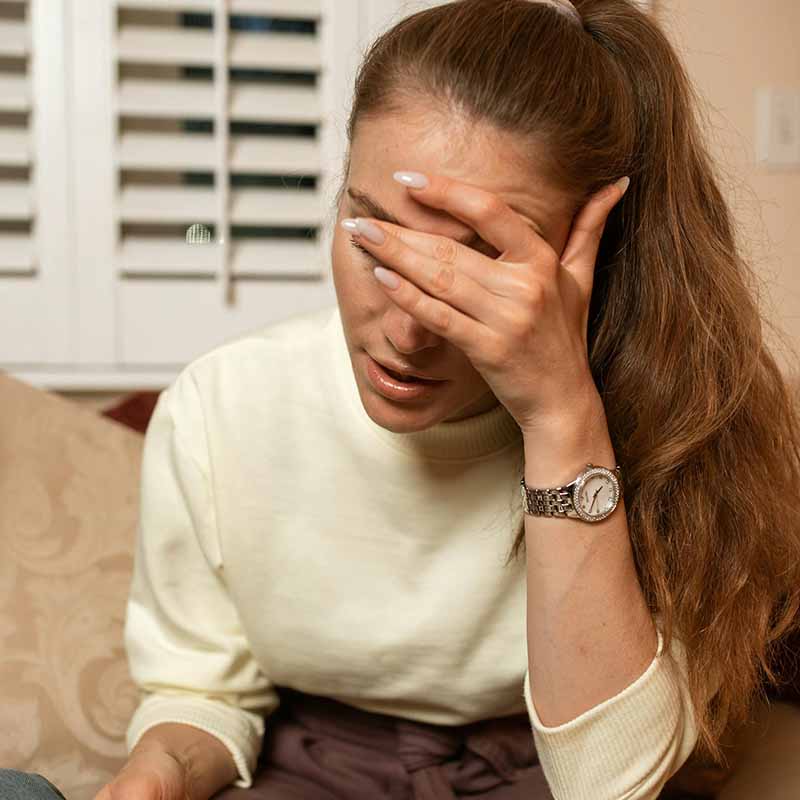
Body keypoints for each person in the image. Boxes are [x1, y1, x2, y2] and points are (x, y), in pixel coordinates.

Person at [89, 0, 800, 799]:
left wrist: (560, 416)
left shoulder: (674, 417)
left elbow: (612, 785)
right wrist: (161, 770)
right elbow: (201, 694)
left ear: (593, 256)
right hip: (314, 765)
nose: (405, 332)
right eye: (374, 237)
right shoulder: (220, 406)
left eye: (478, 268)